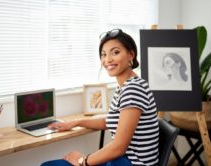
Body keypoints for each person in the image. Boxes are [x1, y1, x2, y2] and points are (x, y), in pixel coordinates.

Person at [41, 29, 159, 166]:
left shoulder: (133, 89)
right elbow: (108, 121)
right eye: (103, 54)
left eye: (115, 52)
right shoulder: (126, 86)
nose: (107, 60)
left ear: (131, 55)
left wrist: (82, 161)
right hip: (122, 161)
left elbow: (119, 147)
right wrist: (75, 123)